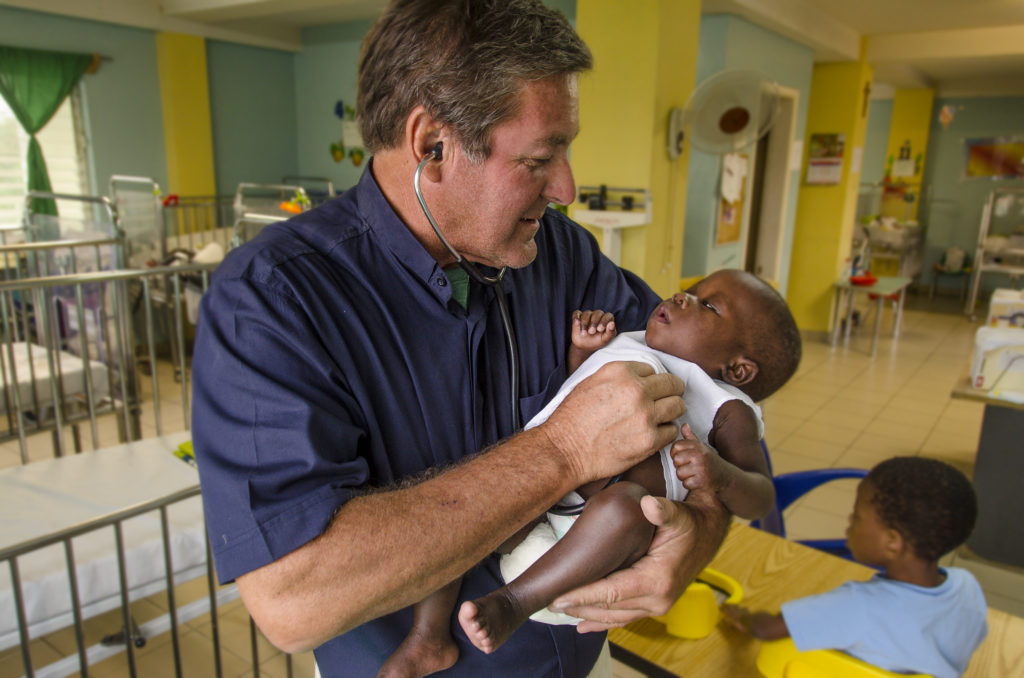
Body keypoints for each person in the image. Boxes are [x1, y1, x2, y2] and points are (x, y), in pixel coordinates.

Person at [190, 1, 732, 676]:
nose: (565, 187)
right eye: (539, 158)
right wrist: (563, 449)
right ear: (431, 147)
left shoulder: (563, 256)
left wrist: (703, 529)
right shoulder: (273, 301)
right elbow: (294, 601)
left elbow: (712, 393)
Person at [377, 268, 800, 672]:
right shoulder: (634, 341)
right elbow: (577, 390)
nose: (682, 295)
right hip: (536, 494)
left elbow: (760, 495)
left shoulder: (727, 407)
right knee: (465, 499)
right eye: (696, 289)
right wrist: (583, 353)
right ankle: (427, 638)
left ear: (738, 369)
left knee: (628, 506)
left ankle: (513, 603)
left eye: (709, 306)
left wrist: (719, 475)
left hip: (597, 542)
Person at [722, 456, 988, 678]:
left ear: (892, 542)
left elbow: (767, 630)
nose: (849, 519)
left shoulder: (856, 605)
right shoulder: (968, 587)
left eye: (857, 515)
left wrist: (743, 616)